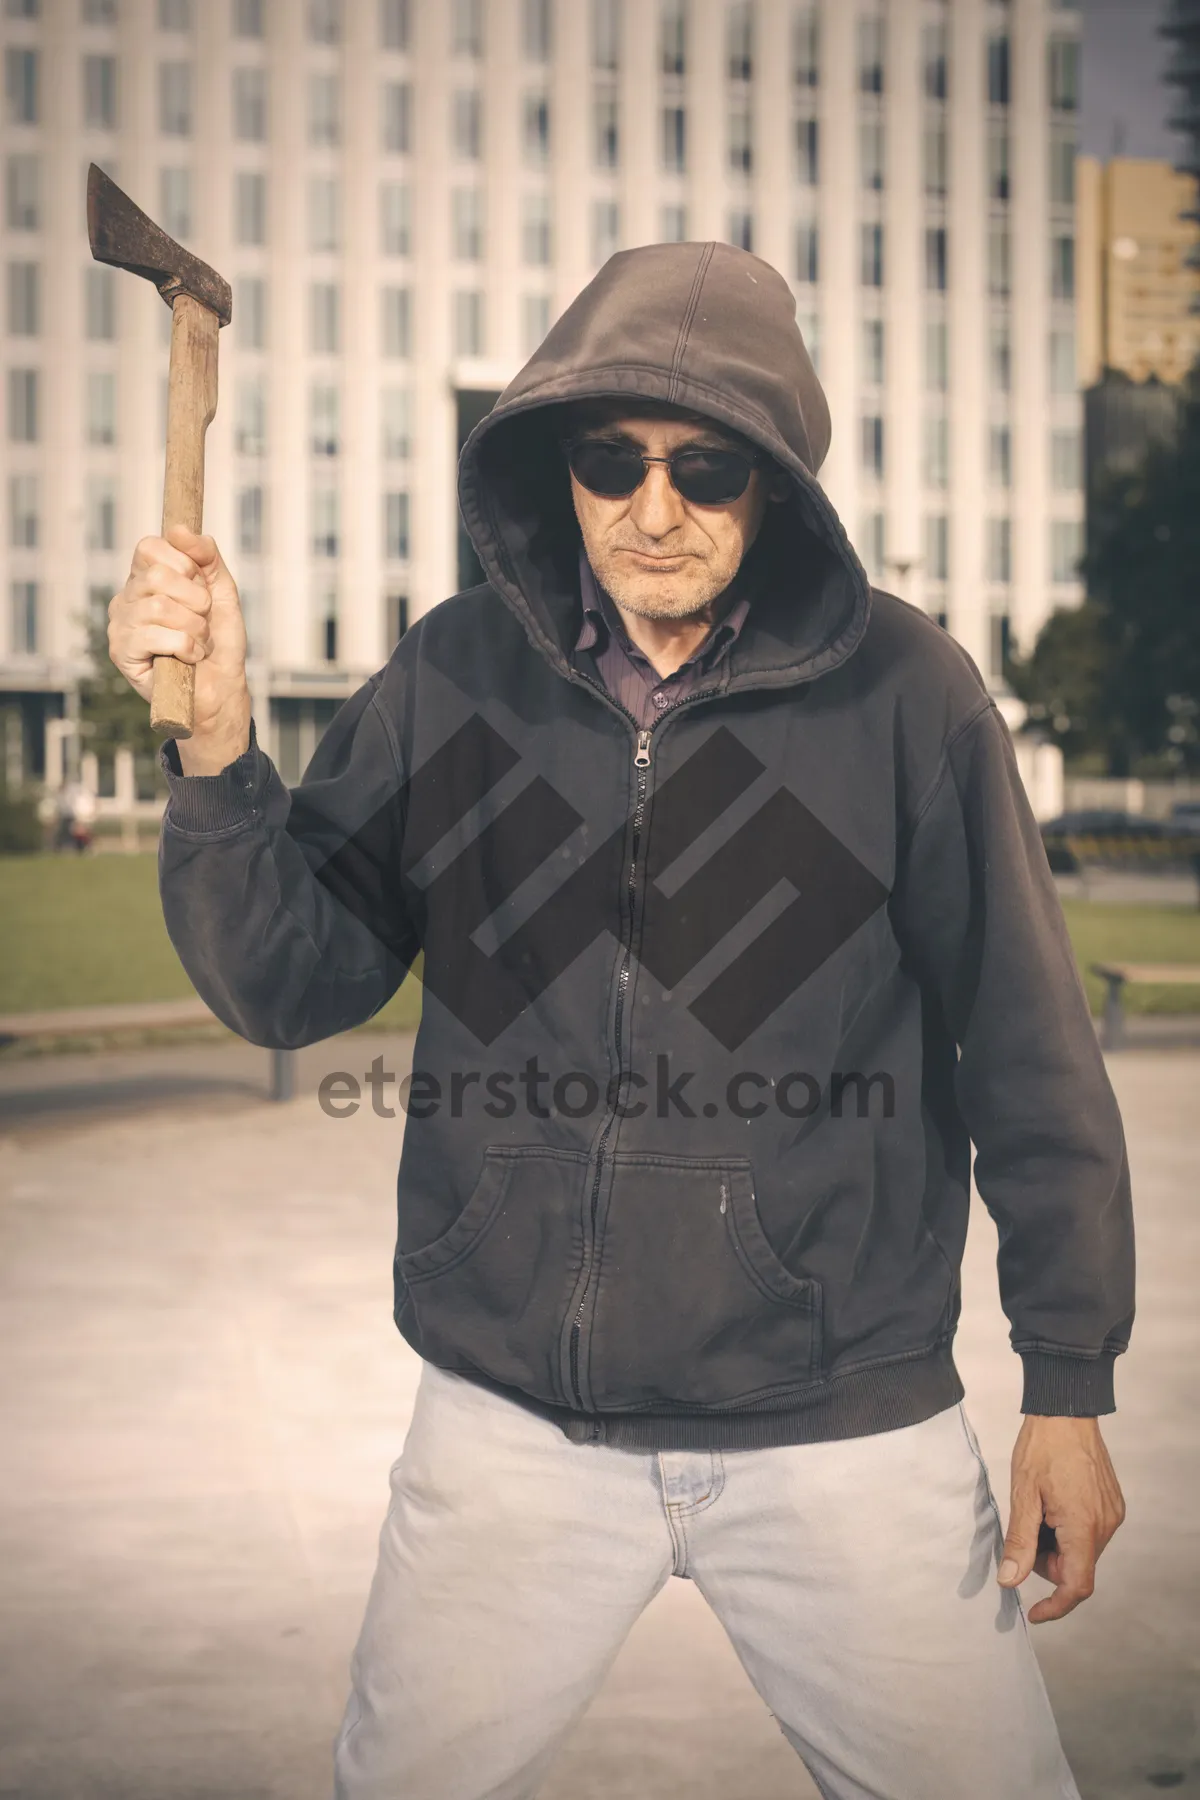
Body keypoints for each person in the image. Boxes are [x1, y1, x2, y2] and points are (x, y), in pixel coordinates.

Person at [107, 242, 1133, 1800]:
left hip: (837, 1427)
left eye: (707, 470)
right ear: (557, 469)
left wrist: (1066, 1380)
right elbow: (287, 979)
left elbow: (1030, 1052)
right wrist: (223, 750)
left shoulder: (912, 697)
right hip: (511, 1426)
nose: (654, 511)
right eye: (611, 460)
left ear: (776, 484)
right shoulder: (457, 677)